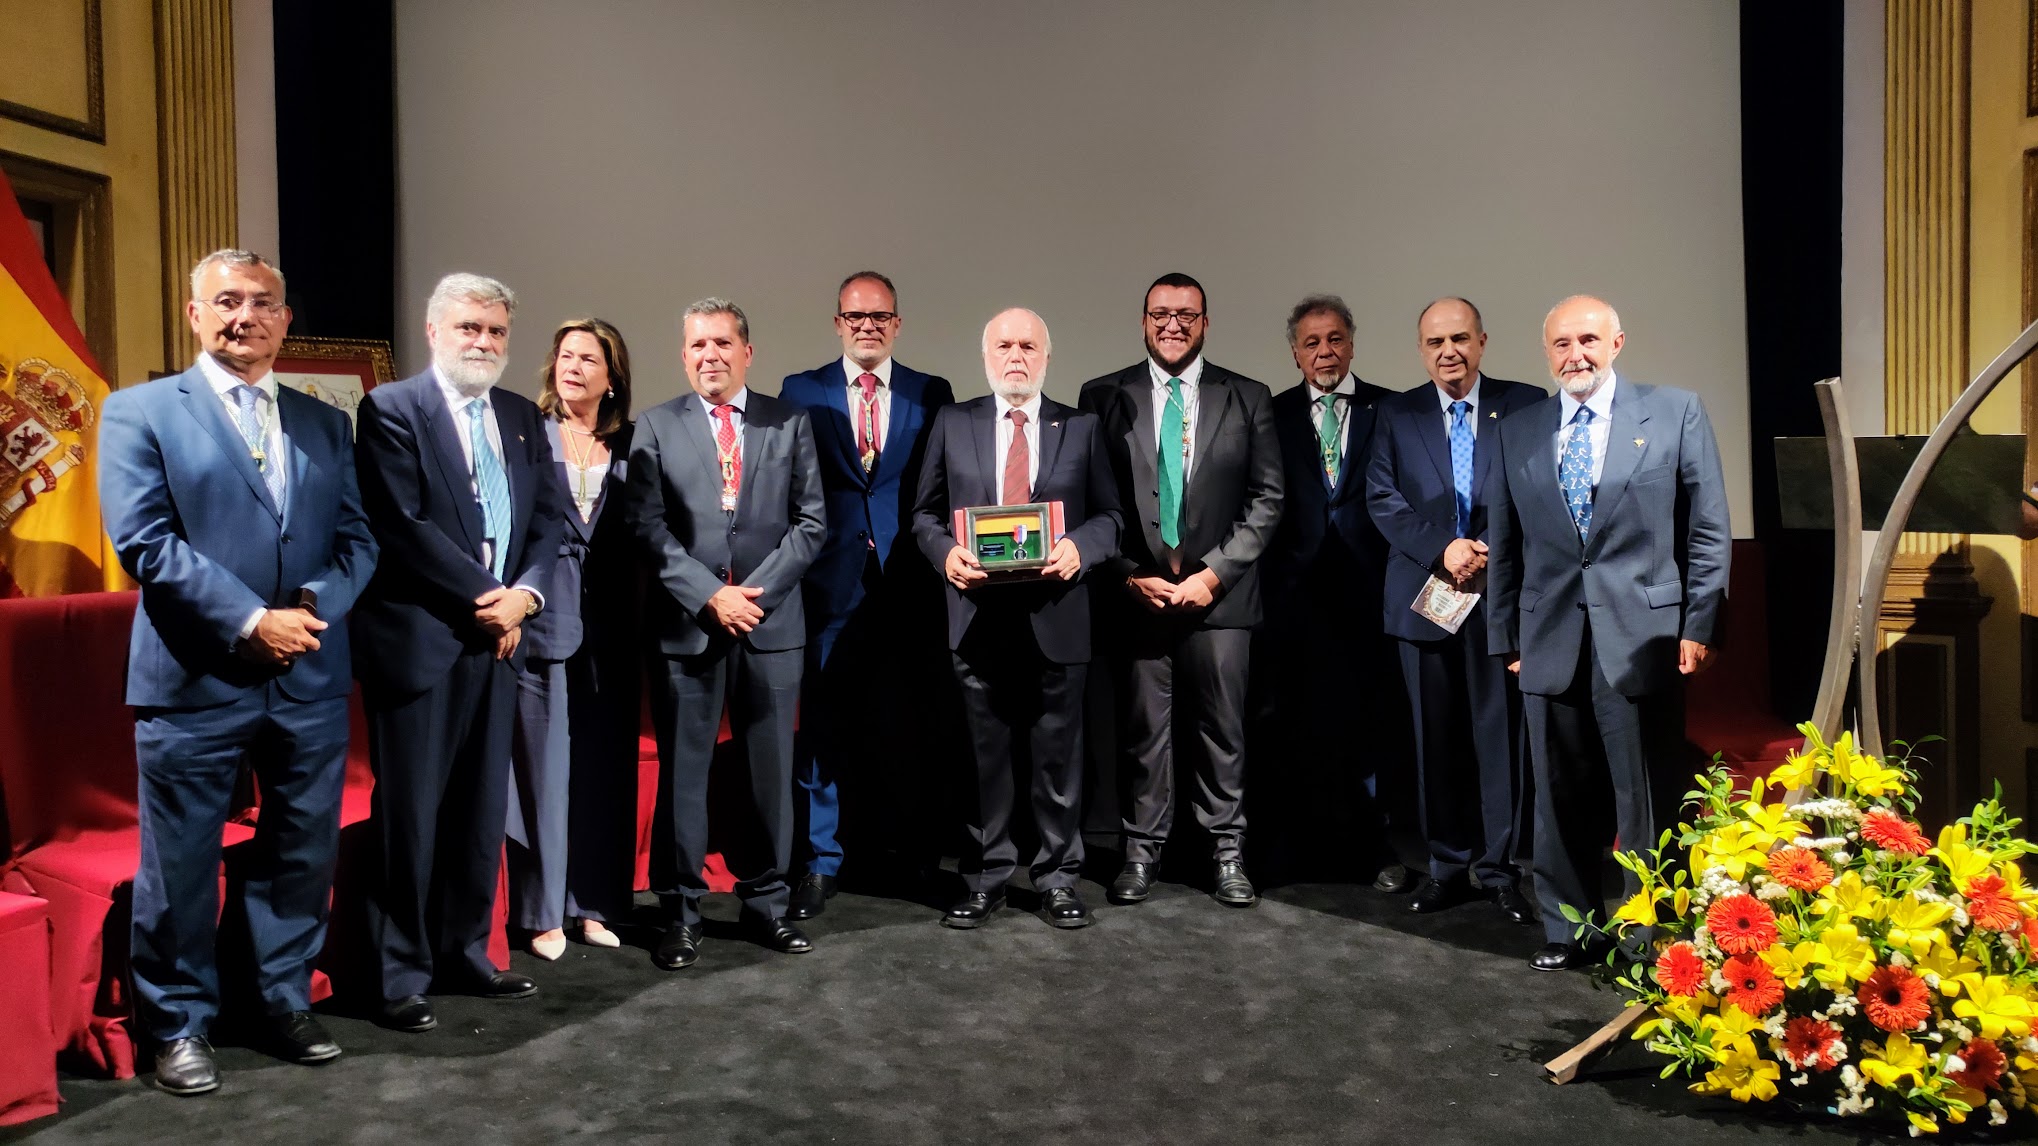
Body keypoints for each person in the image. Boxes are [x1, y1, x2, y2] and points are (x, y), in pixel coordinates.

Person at [98, 249, 377, 1094]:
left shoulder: (325, 422)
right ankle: (178, 1023)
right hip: (195, 675)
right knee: (181, 862)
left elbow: (357, 540)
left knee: (300, 852)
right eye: (225, 302)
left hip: (309, 676)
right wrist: (253, 620)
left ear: (285, 321)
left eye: (261, 303)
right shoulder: (139, 410)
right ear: (194, 315)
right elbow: (145, 541)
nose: (243, 316)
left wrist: (311, 611)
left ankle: (278, 999)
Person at [1485, 295, 1730, 971]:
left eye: (1588, 340)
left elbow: (1707, 529)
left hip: (1644, 635)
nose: (1576, 355)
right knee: (1557, 794)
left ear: (1617, 343)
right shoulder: (1519, 430)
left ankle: (1649, 934)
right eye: (1562, 344)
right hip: (1549, 637)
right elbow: (1505, 544)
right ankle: (1569, 930)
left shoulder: (1675, 411)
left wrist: (1700, 624)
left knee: (1644, 795)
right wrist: (1506, 638)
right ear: (1547, 353)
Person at [352, 273, 566, 1030]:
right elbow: (401, 525)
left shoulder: (519, 415)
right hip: (424, 640)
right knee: (411, 816)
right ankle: (398, 973)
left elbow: (548, 521)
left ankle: (466, 952)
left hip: (500, 642)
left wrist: (525, 596)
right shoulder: (391, 408)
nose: (483, 342)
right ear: (434, 330)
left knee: (479, 811)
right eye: (469, 327)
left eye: (495, 330)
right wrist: (490, 598)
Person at [628, 297, 826, 969]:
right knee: (685, 776)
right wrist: (710, 595)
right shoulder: (655, 426)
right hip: (689, 626)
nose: (709, 355)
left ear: (747, 352)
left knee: (770, 775)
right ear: (683, 355)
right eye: (697, 345)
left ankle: (768, 904)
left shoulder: (788, 421)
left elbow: (811, 523)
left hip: (771, 626)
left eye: (721, 343)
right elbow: (647, 527)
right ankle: (680, 913)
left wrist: (752, 599)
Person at [911, 308, 1122, 929]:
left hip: (1058, 616)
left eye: (1028, 346)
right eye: (1004, 345)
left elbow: (1110, 517)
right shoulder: (953, 422)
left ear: (1047, 358)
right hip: (978, 617)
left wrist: (1080, 547)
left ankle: (1058, 879)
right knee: (986, 760)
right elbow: (923, 515)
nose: (1016, 356)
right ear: (985, 356)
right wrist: (946, 554)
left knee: (1059, 761)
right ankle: (988, 878)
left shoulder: (1080, 427)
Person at [1079, 272, 1283, 908]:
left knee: (1224, 733)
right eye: (1161, 314)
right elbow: (1093, 499)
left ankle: (1227, 853)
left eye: (1186, 315)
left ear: (1205, 323)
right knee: (1144, 736)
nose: (1173, 325)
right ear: (1143, 321)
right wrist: (1125, 573)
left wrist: (1213, 575)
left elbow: (1267, 499)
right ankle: (1141, 853)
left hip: (1221, 598)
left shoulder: (1248, 395)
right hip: (1138, 596)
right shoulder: (1102, 396)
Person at [780, 271, 953, 918]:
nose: (868, 326)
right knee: (823, 724)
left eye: (880, 316)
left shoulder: (931, 392)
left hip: (911, 581)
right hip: (829, 581)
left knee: (915, 722)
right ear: (838, 324)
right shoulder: (802, 390)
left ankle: (918, 857)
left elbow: (941, 486)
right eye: (856, 317)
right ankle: (820, 862)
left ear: (897, 324)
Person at [1365, 297, 1541, 923]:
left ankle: (1499, 870)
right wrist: (1444, 548)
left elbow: (1537, 490)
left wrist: (1487, 550)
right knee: (1433, 741)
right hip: (1425, 599)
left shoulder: (1524, 404)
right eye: (1436, 342)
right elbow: (1382, 498)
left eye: (1460, 339)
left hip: (1499, 598)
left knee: (1499, 741)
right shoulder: (1396, 413)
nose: (1449, 352)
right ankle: (1444, 865)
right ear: (1421, 350)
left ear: (1482, 342)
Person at [1254, 294, 1409, 892]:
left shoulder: (1390, 409)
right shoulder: (1270, 413)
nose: (1325, 351)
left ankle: (1373, 850)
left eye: (1335, 339)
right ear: (1295, 353)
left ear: (1352, 344)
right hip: (1291, 598)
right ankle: (1296, 851)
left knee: (1370, 728)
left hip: (1371, 595)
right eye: (1312, 342)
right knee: (1291, 726)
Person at [506, 318, 641, 959]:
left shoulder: (633, 442)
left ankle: (593, 905)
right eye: (565, 355)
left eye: (589, 358)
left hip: (614, 627)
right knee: (542, 771)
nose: (574, 367)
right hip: (543, 619)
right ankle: (542, 911)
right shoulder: (527, 433)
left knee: (602, 768)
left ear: (611, 377)